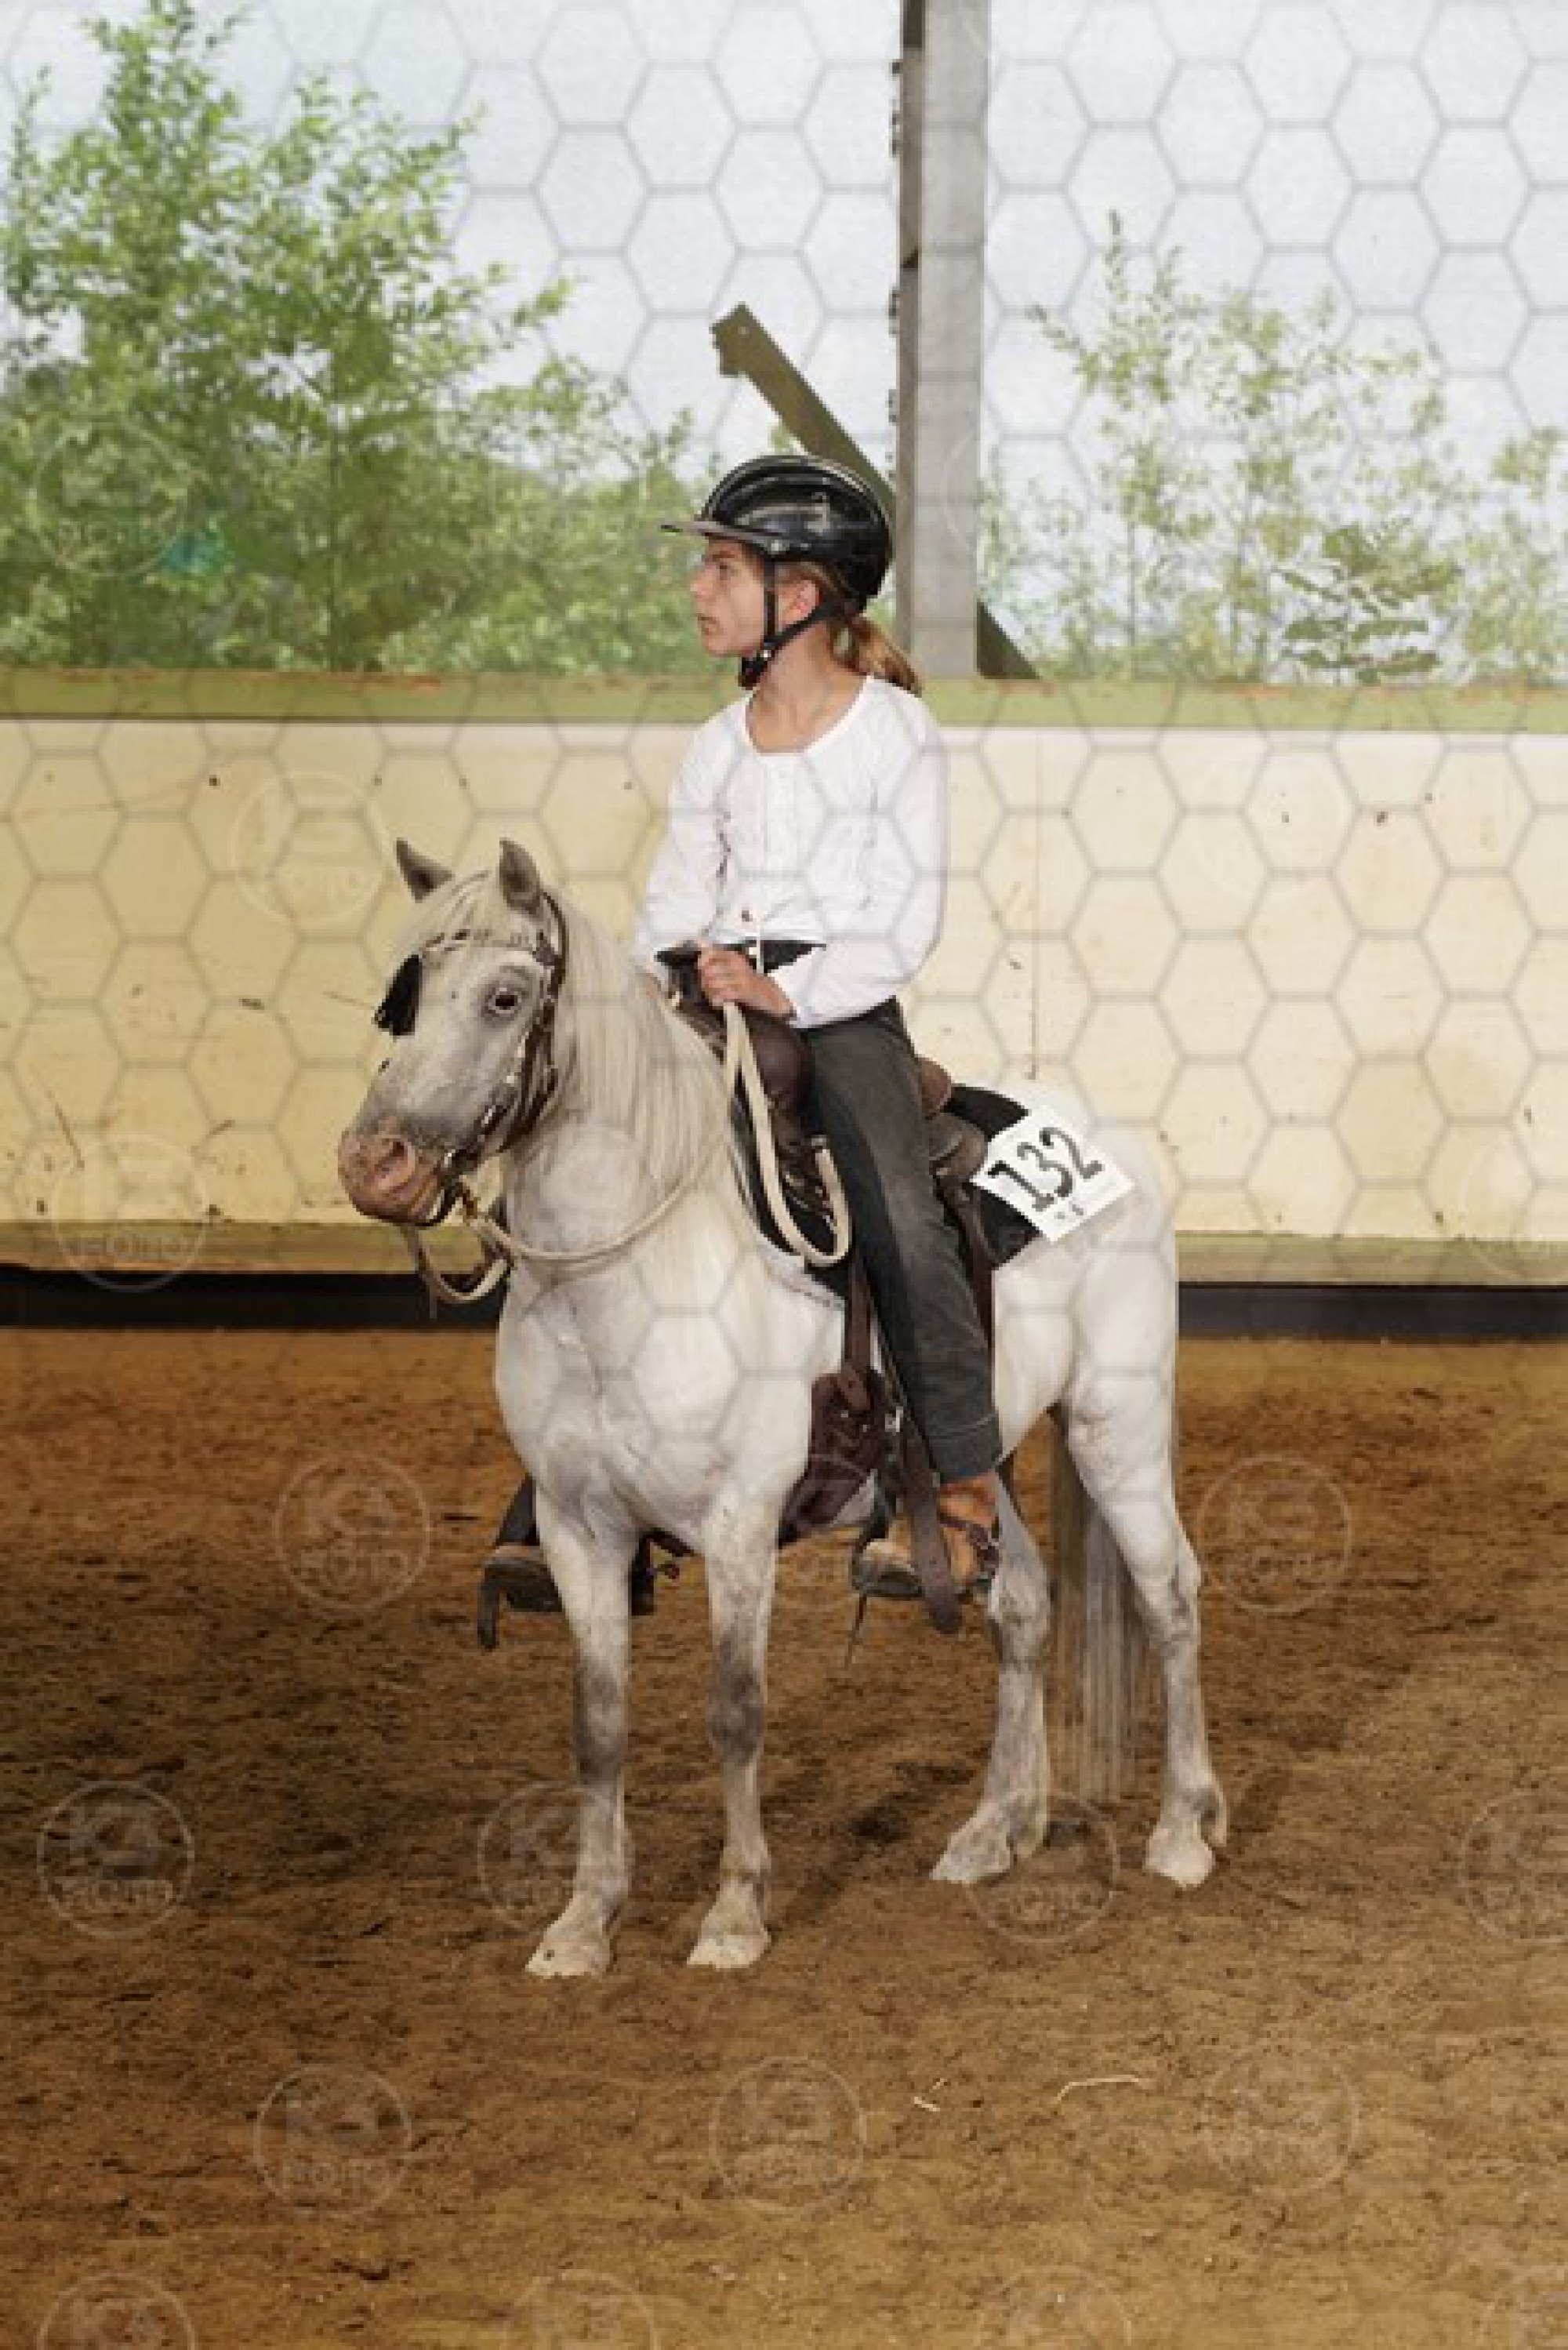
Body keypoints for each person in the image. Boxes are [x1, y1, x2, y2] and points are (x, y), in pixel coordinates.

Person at [633, 453, 1002, 1601]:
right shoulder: (715, 744)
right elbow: (671, 901)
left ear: (797, 596)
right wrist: (676, 972)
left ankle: (960, 1487)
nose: (699, 588)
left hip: (837, 1011)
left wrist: (786, 994)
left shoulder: (896, 732)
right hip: (713, 1002)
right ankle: (571, 1492)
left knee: (899, 1208)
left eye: (723, 567)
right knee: (604, 1161)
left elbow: (903, 920)